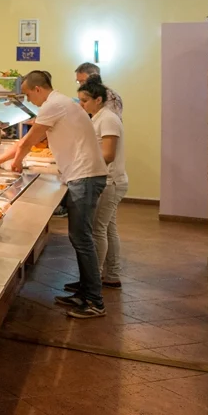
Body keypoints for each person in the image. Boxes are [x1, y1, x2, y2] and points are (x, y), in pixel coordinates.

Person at [0, 70, 109, 319]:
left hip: (84, 176)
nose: (29, 100)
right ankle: (84, 291)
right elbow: (28, 142)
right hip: (82, 174)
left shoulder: (53, 105)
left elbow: (28, 141)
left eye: (28, 94)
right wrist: (0, 161)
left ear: (38, 89)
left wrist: (13, 162)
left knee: (81, 238)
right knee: (79, 237)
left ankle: (94, 301)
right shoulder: (60, 102)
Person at [70, 74, 127, 290]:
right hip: (107, 179)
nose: (81, 105)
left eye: (84, 101)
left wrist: (81, 163)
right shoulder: (97, 117)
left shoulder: (108, 119)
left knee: (97, 230)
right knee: (108, 228)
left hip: (110, 181)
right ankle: (110, 275)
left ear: (98, 100)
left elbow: (108, 154)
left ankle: (93, 280)